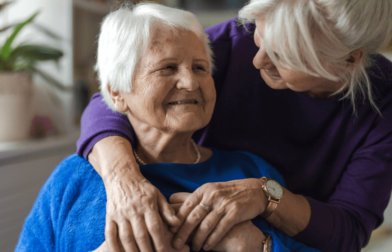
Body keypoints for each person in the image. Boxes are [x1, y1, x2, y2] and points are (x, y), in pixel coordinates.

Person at [78, 0, 392, 251]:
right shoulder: (234, 40)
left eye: (283, 55)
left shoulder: (384, 102)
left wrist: (266, 198)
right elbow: (112, 99)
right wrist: (125, 182)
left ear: (348, 61)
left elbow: (348, 229)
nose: (258, 61)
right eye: (261, 35)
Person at [15, 3, 320, 252]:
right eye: (167, 68)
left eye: (200, 68)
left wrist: (257, 246)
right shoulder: (74, 179)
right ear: (117, 92)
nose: (190, 82)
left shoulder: (253, 173)